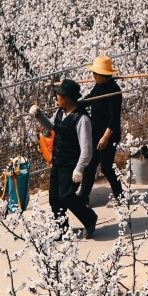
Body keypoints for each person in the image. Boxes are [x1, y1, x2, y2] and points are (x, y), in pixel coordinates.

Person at [29, 79, 99, 239]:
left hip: (72, 164)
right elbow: (52, 127)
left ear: (67, 98)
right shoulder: (60, 112)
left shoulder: (82, 119)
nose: (56, 98)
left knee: (66, 195)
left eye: (58, 95)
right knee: (54, 197)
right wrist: (39, 115)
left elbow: (87, 149)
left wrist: (80, 168)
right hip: (58, 161)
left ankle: (89, 218)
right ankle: (61, 228)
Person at [79, 55, 123, 205]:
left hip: (109, 135)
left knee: (106, 167)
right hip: (96, 132)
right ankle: (83, 198)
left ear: (104, 75)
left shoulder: (114, 92)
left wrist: (105, 138)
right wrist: (73, 104)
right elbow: (90, 99)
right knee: (90, 166)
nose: (93, 76)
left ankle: (120, 196)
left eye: (96, 74)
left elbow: (114, 119)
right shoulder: (98, 86)